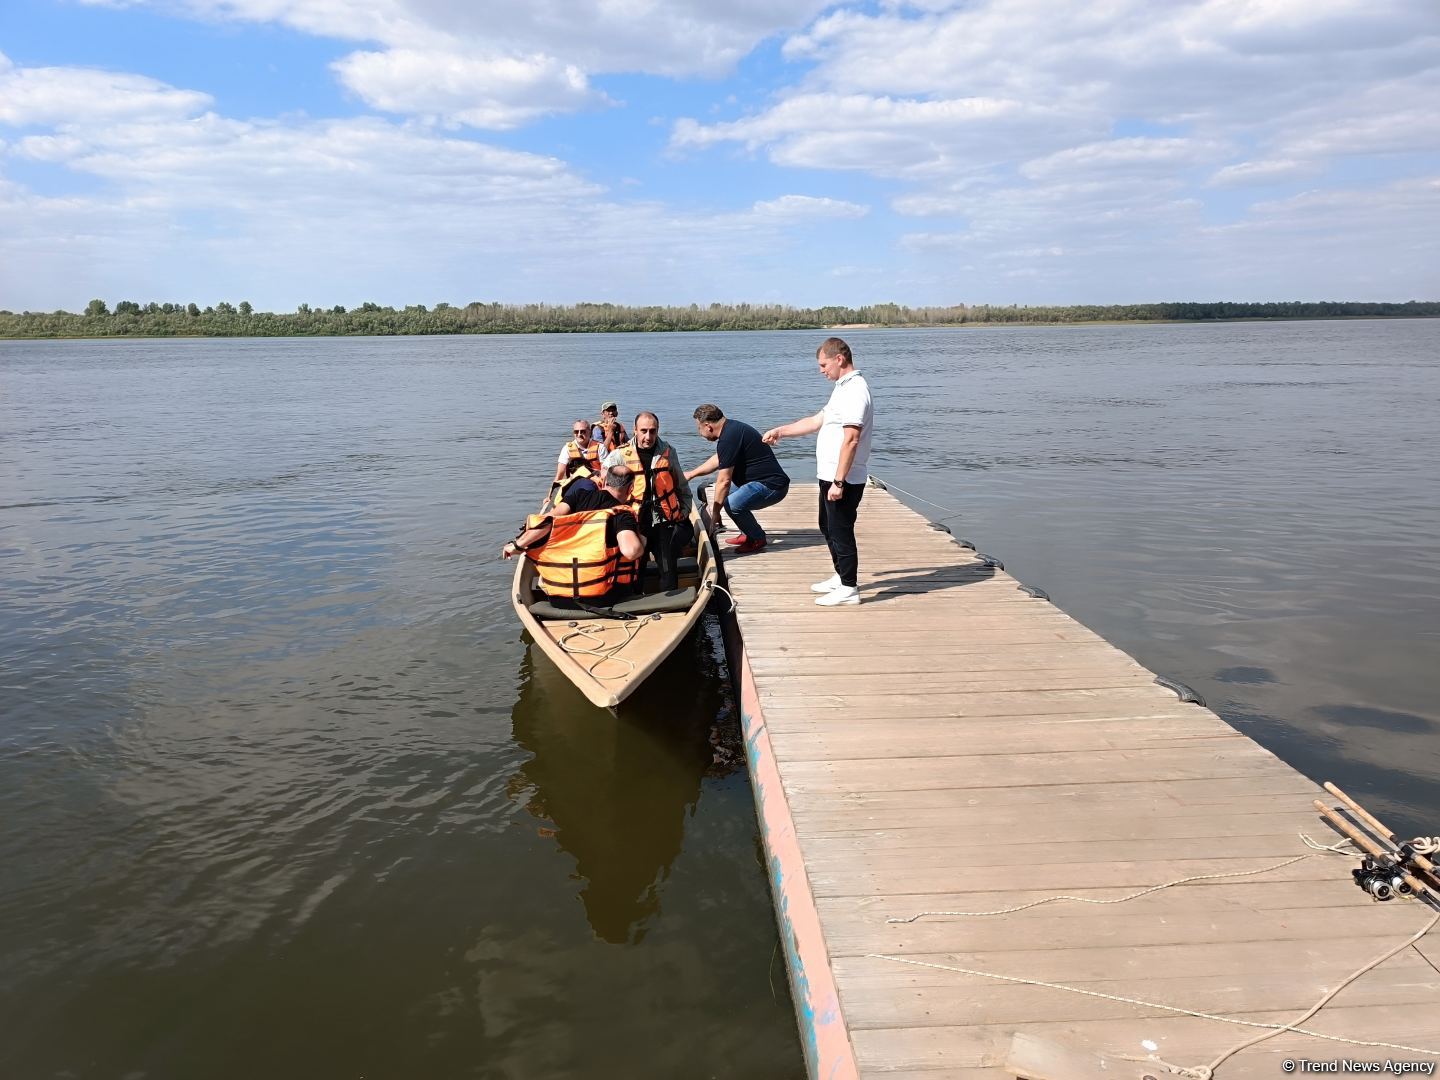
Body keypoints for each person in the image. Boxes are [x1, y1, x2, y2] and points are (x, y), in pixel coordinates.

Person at [762, 337, 873, 606]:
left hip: (843, 478)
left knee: (841, 529)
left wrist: (839, 481)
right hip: (829, 476)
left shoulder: (856, 390)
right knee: (827, 526)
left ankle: (849, 588)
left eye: (824, 364)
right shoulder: (841, 389)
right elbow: (816, 421)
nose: (821, 370)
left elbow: (852, 439)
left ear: (839, 359)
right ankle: (840, 576)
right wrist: (781, 431)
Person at [503, 466, 646, 607]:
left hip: (559, 598)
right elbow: (631, 551)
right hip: (602, 598)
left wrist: (517, 545)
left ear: (604, 481)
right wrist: (642, 541)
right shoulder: (622, 514)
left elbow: (546, 521)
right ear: (631, 489)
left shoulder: (578, 495)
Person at [603, 412, 695, 591]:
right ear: (635, 430)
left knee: (668, 571)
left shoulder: (668, 452)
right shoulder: (619, 455)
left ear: (658, 430)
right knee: (635, 570)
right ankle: (635, 604)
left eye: (652, 431)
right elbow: (605, 486)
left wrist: (683, 512)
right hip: (634, 520)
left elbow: (682, 486)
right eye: (643, 431)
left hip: (662, 519)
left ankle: (671, 609)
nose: (648, 436)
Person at [685, 404, 789, 554]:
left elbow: (724, 481)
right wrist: (692, 473)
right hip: (758, 481)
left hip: (772, 486)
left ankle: (757, 538)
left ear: (707, 426)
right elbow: (719, 459)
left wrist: (715, 515)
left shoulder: (728, 438)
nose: (699, 432)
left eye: (699, 428)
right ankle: (746, 533)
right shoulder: (731, 430)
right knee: (726, 496)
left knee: (731, 503)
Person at [551, 419, 604, 502]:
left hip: (595, 485)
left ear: (589, 432)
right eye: (576, 432)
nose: (579, 434)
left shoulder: (600, 447)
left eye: (583, 431)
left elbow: (605, 472)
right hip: (574, 485)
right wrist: (549, 496)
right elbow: (559, 474)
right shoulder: (567, 449)